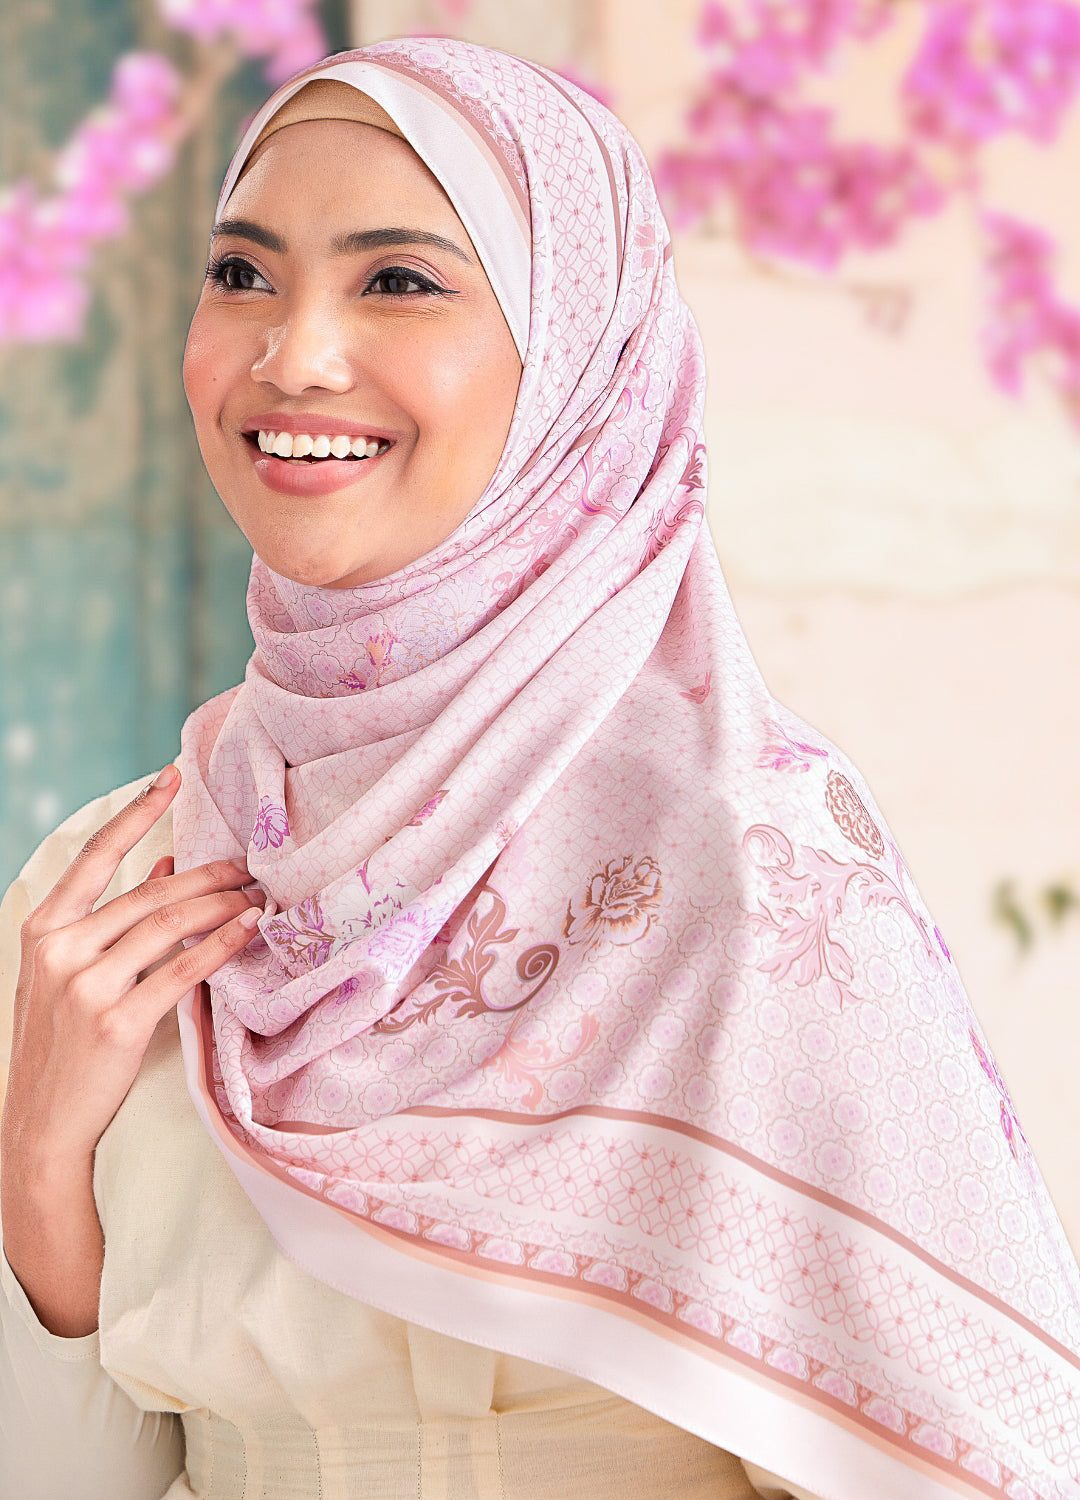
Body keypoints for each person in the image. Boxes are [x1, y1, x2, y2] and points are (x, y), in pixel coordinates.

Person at [1, 37, 1077, 1500]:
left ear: (577, 357)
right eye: (243, 272)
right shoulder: (107, 896)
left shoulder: (754, 880)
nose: (292, 353)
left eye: (399, 280)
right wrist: (39, 1174)